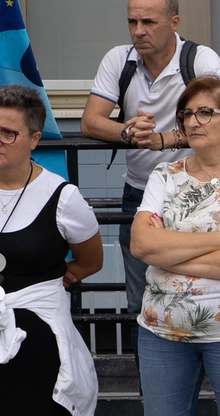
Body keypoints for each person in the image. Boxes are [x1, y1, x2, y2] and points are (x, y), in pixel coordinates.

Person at [129, 77, 220, 416]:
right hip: (162, 330)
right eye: (186, 113)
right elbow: (141, 244)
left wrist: (169, 255)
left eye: (205, 113)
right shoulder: (164, 175)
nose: (192, 121)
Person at [81, 0, 220, 318]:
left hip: (197, 192)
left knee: (199, 294)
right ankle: (149, 371)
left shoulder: (200, 59)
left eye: (148, 22)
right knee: (140, 303)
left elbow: (218, 122)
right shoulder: (120, 59)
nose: (138, 31)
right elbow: (90, 122)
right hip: (141, 193)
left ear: (174, 23)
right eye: (132, 22)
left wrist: (165, 139)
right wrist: (127, 131)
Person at [0, 86, 103, 415]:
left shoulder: (62, 197)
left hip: (36, 337)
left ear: (34, 139)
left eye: (8, 133)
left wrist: (65, 277)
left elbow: (91, 260)